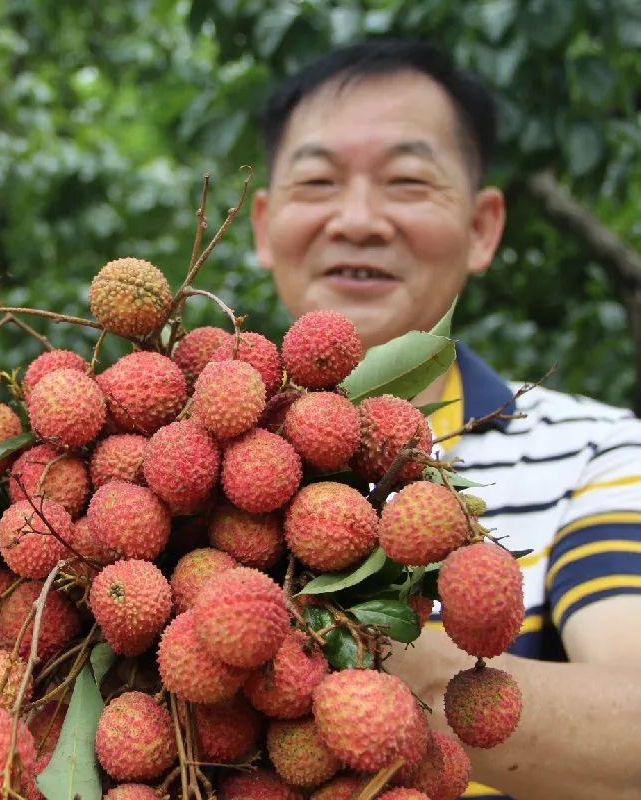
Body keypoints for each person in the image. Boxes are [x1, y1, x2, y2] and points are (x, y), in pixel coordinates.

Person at [252, 40, 641, 799]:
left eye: (406, 181)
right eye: (318, 181)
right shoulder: (175, 452)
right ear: (264, 226)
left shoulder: (600, 450)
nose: (358, 219)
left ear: (483, 226)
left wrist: (382, 664)